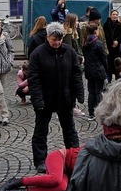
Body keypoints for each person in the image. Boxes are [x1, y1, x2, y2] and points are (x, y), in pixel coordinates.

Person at [28, 22, 84, 174]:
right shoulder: (38, 54)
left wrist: (79, 94)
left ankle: (74, 156)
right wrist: (37, 100)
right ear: (48, 37)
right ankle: (40, 160)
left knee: (70, 130)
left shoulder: (69, 51)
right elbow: (34, 79)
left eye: (59, 39)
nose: (57, 42)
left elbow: (76, 73)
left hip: (65, 98)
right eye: (54, 39)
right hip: (45, 98)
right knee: (41, 131)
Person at [0, 146, 81, 191]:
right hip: (59, 157)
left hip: (66, 172)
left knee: (61, 188)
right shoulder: (89, 150)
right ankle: (16, 182)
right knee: (55, 179)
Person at [82, 24, 108, 120]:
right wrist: (106, 70)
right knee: (98, 92)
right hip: (98, 70)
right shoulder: (98, 43)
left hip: (89, 70)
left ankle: (91, 112)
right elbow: (103, 58)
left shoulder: (85, 42)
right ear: (95, 31)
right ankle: (99, 112)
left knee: (91, 92)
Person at [103, 10, 121, 83]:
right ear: (110, 15)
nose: (115, 16)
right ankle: (109, 78)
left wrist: (117, 41)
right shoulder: (106, 25)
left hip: (117, 48)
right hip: (109, 47)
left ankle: (118, 78)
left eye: (116, 14)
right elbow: (106, 35)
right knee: (109, 64)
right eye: (113, 14)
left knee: (118, 63)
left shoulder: (120, 25)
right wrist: (112, 41)